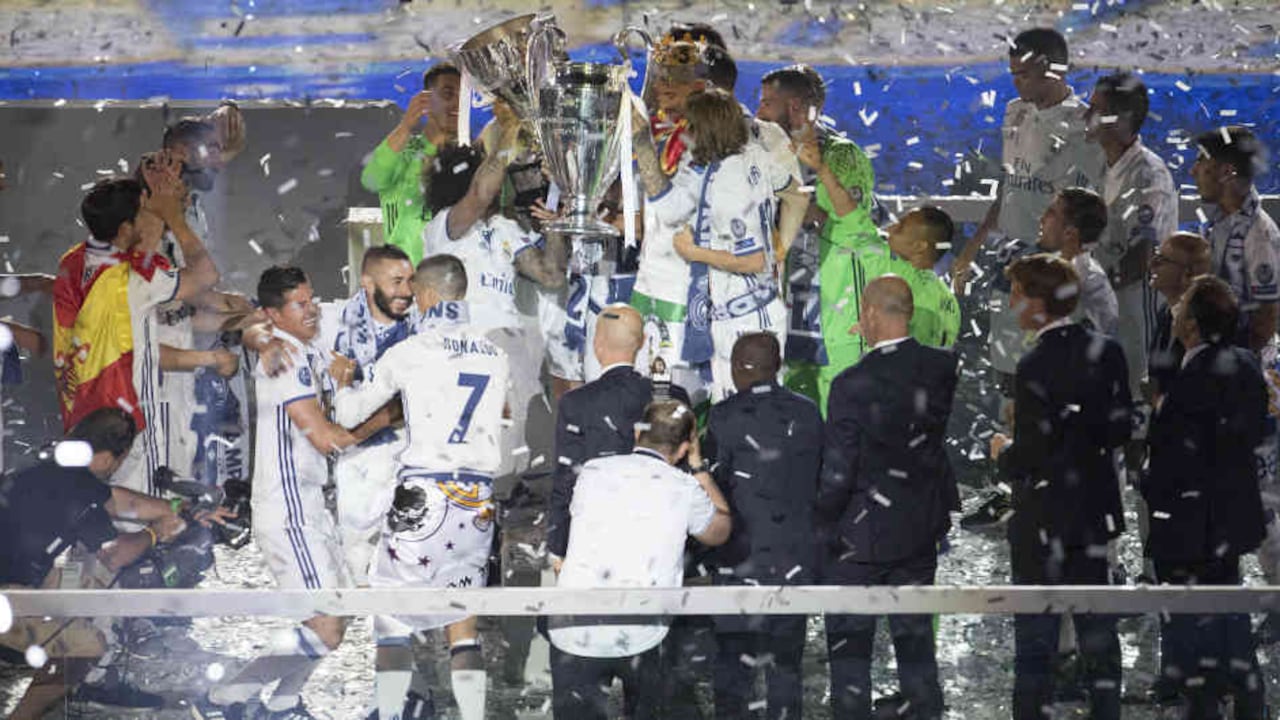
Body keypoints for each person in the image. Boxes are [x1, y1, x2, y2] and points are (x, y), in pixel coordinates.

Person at [194, 266, 394, 719]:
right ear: (276, 313)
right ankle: (226, 697)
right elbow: (326, 439)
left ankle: (284, 701)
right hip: (287, 510)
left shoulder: (309, 345)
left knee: (336, 614)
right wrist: (384, 420)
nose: (311, 310)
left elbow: (252, 323)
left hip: (312, 506)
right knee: (325, 627)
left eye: (312, 300)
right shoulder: (282, 358)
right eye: (299, 305)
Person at [331, 253, 509, 720]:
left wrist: (342, 384)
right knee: (461, 623)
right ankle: (472, 716)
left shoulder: (411, 352)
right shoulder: (496, 353)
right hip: (478, 498)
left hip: (425, 494)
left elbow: (350, 416)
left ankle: (390, 712)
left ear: (427, 296)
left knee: (390, 618)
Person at [954, 28, 1106, 528]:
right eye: (1013, 72)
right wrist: (976, 244)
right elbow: (1010, 184)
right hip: (1009, 260)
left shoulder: (1083, 128)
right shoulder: (1014, 113)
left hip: (1048, 268)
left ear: (1054, 70)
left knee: (1047, 374)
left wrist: (1056, 263)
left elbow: (1083, 208)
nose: (1015, 82)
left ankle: (1052, 486)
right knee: (1006, 373)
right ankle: (1011, 484)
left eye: (1024, 73)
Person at [0, 408, 228, 719]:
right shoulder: (79, 488)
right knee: (88, 644)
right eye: (120, 460)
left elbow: (122, 501)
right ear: (108, 458)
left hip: (13, 583)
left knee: (79, 564)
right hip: (8, 602)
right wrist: (156, 533)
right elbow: (115, 554)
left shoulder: (51, 466)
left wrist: (181, 507)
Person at [989, 254, 1131, 720]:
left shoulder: (1034, 364)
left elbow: (1030, 457)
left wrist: (1001, 450)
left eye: (1016, 295)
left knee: (1036, 640)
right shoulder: (1108, 351)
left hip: (1044, 519)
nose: (1011, 305)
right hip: (1092, 513)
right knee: (1098, 634)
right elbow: (1119, 431)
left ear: (1037, 304)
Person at [818, 276, 958, 720]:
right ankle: (923, 710)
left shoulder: (850, 383)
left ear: (871, 314)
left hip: (859, 535)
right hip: (919, 525)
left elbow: (839, 472)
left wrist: (821, 522)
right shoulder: (942, 366)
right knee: (915, 635)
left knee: (850, 647)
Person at [548, 400, 731, 720]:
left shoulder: (591, 472)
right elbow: (721, 530)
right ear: (686, 446)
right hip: (643, 633)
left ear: (636, 432)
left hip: (575, 627)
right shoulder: (684, 486)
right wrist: (699, 468)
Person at [54, 163, 221, 500]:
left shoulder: (73, 262)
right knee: (145, 514)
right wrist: (174, 217)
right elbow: (205, 275)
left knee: (100, 509)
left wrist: (156, 207)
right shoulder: (135, 276)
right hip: (128, 417)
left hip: (85, 412)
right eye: (143, 211)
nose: (150, 216)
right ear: (126, 227)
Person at [1143, 275, 1269, 718]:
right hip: (1229, 518)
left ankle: (1206, 703)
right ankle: (1249, 701)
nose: (1173, 312)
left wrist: (1147, 481)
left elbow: (1175, 460)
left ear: (1192, 324)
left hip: (1190, 524)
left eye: (1181, 309)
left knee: (1196, 621)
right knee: (1228, 611)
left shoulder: (1191, 380)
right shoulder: (1246, 364)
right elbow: (1257, 430)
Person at [634, 87, 790, 402]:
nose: (684, 133)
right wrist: (642, 142)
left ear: (704, 130)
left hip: (748, 319)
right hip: (730, 314)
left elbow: (756, 260)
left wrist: (695, 253)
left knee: (750, 416)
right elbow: (672, 208)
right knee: (730, 416)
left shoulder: (731, 185)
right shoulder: (738, 156)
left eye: (690, 126)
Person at [705, 332, 823, 720]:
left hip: (739, 559)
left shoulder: (723, 417)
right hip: (793, 558)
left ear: (738, 369)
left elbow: (712, 490)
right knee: (785, 665)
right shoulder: (808, 413)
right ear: (779, 368)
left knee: (733, 667)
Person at [756, 64, 881, 412]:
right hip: (786, 310)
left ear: (795, 107)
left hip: (833, 315)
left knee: (838, 420)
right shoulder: (767, 152)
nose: (758, 113)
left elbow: (840, 222)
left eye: (767, 103)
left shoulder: (842, 156)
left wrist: (787, 194)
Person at [547, 303, 689, 568]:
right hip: (659, 535)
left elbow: (567, 477)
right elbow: (685, 470)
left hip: (598, 537)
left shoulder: (576, 403)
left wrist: (558, 546)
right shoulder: (673, 396)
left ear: (597, 344)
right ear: (642, 343)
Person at [316, 244, 416, 585]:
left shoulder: (423, 328)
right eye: (397, 282)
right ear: (368, 284)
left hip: (408, 451)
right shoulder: (334, 323)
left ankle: (403, 632)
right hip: (356, 463)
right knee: (356, 560)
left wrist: (354, 432)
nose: (407, 291)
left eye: (410, 281)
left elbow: (412, 400)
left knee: (407, 554)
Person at [1086, 72, 1177, 400]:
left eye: (1095, 109)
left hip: (1138, 313)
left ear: (1121, 118)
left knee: (1136, 400)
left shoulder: (1149, 175)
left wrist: (1091, 288)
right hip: (1107, 312)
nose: (1085, 115)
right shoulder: (1099, 167)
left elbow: (1143, 254)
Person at [362, 62, 460, 264]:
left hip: (458, 283)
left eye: (463, 97)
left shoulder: (472, 158)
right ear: (426, 100)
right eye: (449, 95)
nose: (458, 105)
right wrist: (406, 125)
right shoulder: (402, 153)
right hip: (409, 282)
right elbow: (370, 180)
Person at [1194, 125, 1278, 354]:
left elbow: (1266, 317)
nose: (1193, 171)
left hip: (1238, 367)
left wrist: (1238, 368)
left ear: (1226, 172)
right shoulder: (1221, 221)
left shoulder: (1258, 235)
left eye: (1201, 161)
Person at [1034, 188, 1119, 336]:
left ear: (1070, 233)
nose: (1042, 219)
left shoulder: (1090, 288)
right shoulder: (1051, 270)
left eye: (1051, 214)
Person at [1148, 233, 1213, 400]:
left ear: (1188, 274)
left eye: (1161, 260)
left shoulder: (1204, 325)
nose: (1152, 264)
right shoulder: (1165, 311)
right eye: (1155, 256)